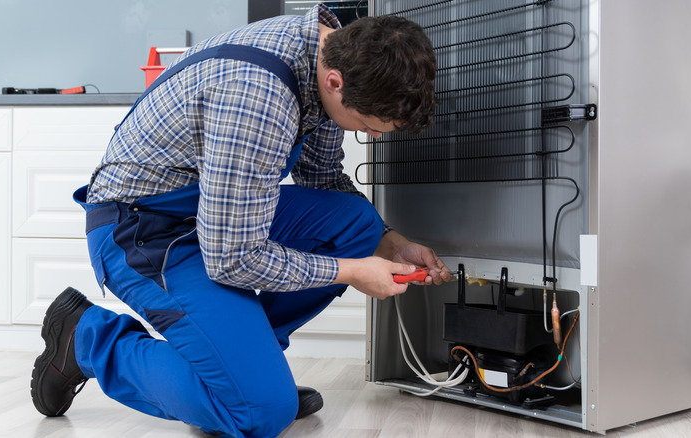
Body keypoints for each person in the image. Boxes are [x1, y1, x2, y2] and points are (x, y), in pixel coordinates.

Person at [30, 4, 451, 437]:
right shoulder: (258, 99)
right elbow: (232, 259)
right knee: (260, 413)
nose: (374, 136)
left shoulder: (330, 52)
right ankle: (86, 338)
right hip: (143, 231)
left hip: (211, 217)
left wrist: (387, 241)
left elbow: (322, 179)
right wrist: (354, 272)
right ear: (335, 83)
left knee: (356, 225)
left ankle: (244, 369)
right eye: (368, 127)